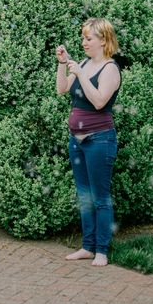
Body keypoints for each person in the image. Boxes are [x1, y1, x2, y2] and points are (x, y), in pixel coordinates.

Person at [55, 18, 121, 267]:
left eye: (88, 38)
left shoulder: (110, 68)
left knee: (100, 197)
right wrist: (63, 64)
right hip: (77, 140)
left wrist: (81, 74)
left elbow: (99, 101)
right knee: (84, 196)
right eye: (83, 38)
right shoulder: (82, 63)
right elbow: (62, 89)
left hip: (99, 139)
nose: (83, 42)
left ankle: (102, 250)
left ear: (103, 40)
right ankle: (87, 247)